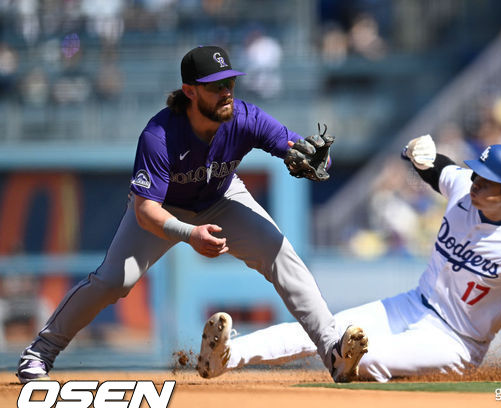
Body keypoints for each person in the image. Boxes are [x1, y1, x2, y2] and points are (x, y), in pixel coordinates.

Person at [16, 45, 368, 384]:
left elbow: (301, 148)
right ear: (190, 91)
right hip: (163, 208)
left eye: (230, 83)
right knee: (112, 281)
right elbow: (144, 211)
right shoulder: (159, 135)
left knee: (282, 255)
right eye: (216, 87)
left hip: (222, 196)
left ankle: (333, 351)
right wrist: (188, 233)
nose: (227, 92)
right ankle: (39, 352)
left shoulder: (246, 118)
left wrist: (315, 158)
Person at [196, 137, 501, 382]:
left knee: (369, 355)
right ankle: (225, 358)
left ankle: (345, 366)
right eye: (476, 174)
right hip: (412, 303)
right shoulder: (464, 189)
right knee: (320, 327)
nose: (475, 183)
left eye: (487, 182)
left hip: (456, 341)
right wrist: (419, 153)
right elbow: (441, 168)